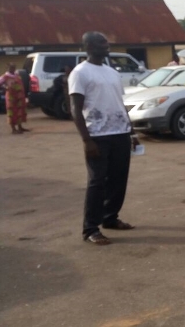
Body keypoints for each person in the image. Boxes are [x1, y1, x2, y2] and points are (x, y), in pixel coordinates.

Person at [68, 32, 139, 245]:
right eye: (101, 42)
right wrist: (86, 140)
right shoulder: (80, 73)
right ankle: (90, 229)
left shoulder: (112, 72)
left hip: (120, 133)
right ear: (88, 46)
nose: (106, 45)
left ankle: (110, 218)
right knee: (97, 182)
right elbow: (75, 108)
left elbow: (119, 103)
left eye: (106, 41)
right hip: (97, 136)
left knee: (118, 180)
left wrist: (132, 132)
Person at [0, 63, 29, 134]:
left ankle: (20, 127)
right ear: (8, 68)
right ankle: (13, 129)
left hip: (20, 97)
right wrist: (5, 87)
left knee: (20, 111)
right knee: (12, 112)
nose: (12, 69)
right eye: (11, 68)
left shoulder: (17, 75)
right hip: (11, 97)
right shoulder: (5, 77)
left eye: (14, 67)